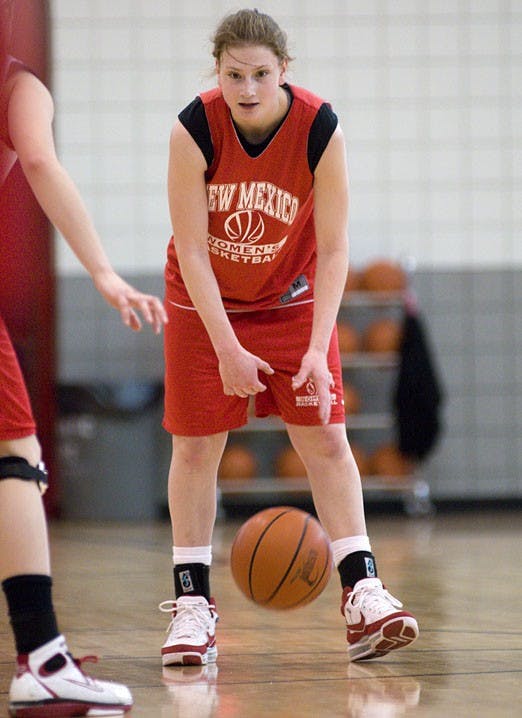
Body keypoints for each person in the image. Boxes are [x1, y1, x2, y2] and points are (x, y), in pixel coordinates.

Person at [160, 8, 419, 667]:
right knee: (196, 448)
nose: (246, 88)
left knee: (327, 437)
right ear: (216, 72)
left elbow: (334, 251)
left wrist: (314, 348)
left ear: (284, 72)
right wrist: (225, 347)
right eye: (233, 74)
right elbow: (191, 249)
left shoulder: (317, 127)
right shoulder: (195, 128)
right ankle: (192, 606)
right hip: (204, 300)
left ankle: (364, 592)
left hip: (292, 297)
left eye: (260, 74)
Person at [0, 5, 168, 715]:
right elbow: (39, 159)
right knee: (15, 453)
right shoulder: (18, 82)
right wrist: (102, 270)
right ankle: (41, 658)